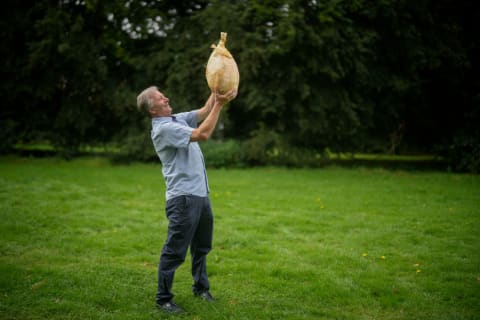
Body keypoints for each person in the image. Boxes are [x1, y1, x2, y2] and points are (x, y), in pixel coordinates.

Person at [136, 86, 237, 314]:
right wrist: (220, 104)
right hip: (183, 199)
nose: (166, 98)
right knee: (174, 251)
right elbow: (202, 133)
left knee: (201, 247)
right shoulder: (164, 129)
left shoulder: (176, 119)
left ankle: (201, 289)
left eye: (163, 94)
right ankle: (163, 300)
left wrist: (216, 89)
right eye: (161, 98)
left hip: (201, 196)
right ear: (153, 110)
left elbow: (203, 111)